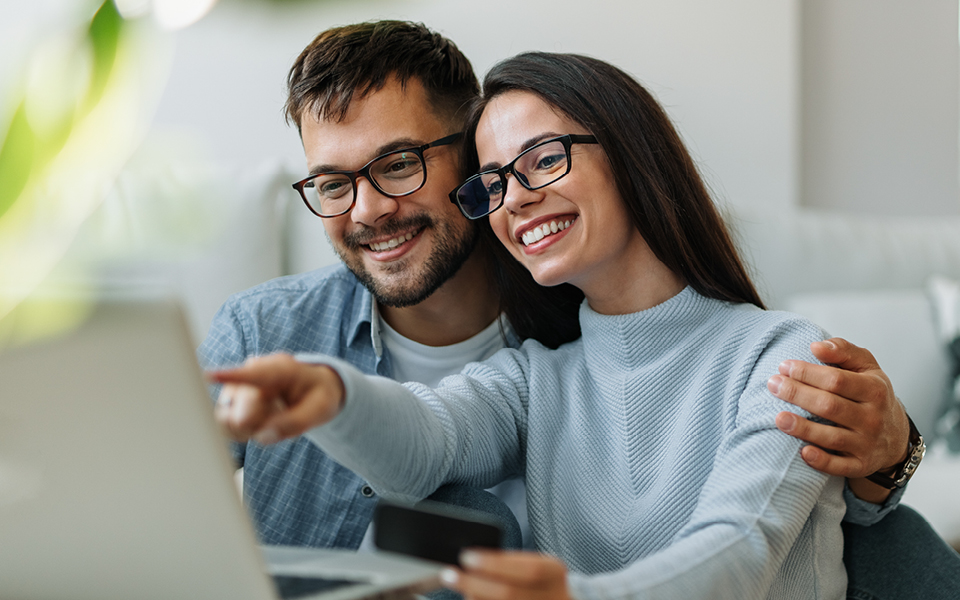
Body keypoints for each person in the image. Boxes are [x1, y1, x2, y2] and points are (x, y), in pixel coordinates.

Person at [210, 50, 942, 598]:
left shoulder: (778, 357)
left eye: (543, 160)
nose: (515, 198)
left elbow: (742, 548)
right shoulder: (539, 376)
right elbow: (427, 443)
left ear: (631, 154)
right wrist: (331, 395)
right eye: (494, 182)